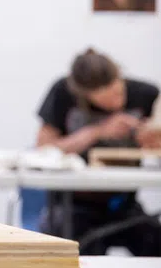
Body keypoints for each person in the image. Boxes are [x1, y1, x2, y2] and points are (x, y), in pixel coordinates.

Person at [36, 47, 161, 255]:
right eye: (105, 99)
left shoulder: (144, 94)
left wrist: (153, 133)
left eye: (118, 92)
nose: (116, 102)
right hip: (73, 203)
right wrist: (98, 132)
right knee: (77, 250)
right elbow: (43, 151)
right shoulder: (63, 93)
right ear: (84, 96)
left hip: (124, 204)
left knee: (153, 242)